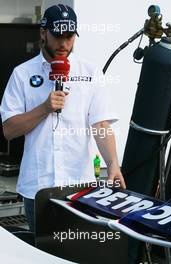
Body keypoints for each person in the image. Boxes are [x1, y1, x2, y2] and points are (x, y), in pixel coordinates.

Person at [0, 4, 126, 231]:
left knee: (75, 250)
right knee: (40, 253)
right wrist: (44, 108)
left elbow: (101, 123)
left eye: (70, 36)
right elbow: (9, 129)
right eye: (58, 36)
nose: (64, 44)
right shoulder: (22, 74)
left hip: (80, 187)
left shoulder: (90, 72)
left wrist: (113, 164)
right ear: (43, 33)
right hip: (37, 187)